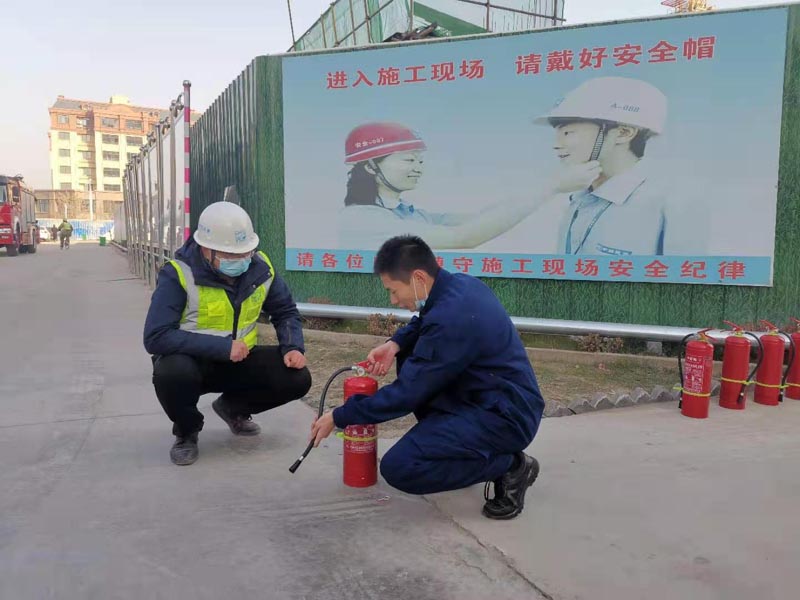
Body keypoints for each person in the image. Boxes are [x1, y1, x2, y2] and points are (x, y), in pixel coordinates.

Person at [310, 235, 544, 520]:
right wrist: (395, 343)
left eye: (394, 291)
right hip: (491, 398)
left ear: (418, 277)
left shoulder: (452, 319)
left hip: (506, 417)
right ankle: (469, 452)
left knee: (401, 468)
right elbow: (425, 320)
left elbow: (406, 395)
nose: (393, 300)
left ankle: (510, 466)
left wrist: (341, 415)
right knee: (408, 353)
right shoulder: (459, 286)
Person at [143, 201, 312, 465]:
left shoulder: (260, 268)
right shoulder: (178, 274)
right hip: (192, 364)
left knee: (297, 378)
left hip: (240, 361)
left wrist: (293, 346)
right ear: (205, 248)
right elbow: (156, 336)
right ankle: (187, 431)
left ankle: (233, 408)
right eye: (231, 255)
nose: (241, 260)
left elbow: (285, 311)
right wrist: (222, 347)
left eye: (246, 252)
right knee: (170, 372)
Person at [338, 122, 597, 251]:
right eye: (408, 160)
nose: (418, 167)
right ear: (371, 166)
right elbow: (465, 237)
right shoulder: (362, 218)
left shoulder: (410, 213)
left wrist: (544, 187)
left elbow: (478, 219)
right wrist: (551, 187)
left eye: (420, 160)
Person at [534, 76, 670, 256]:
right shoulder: (579, 201)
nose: (556, 145)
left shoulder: (663, 204)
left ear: (623, 133)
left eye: (568, 132)